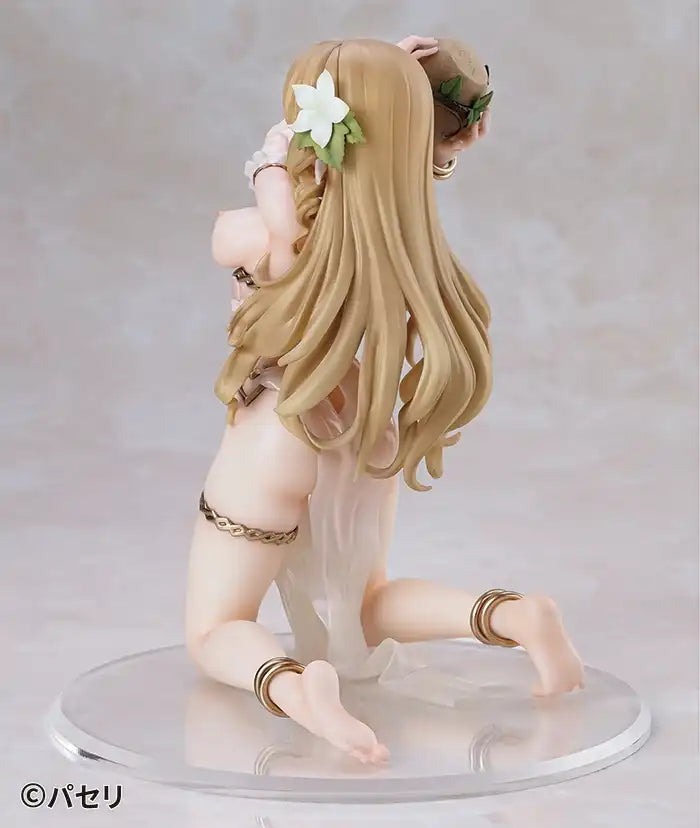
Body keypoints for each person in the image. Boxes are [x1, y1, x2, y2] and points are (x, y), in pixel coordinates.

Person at [186, 38, 583, 767]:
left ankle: (294, 690)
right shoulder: (398, 233)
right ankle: (515, 616)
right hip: (361, 423)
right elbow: (405, 159)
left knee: (216, 626)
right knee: (368, 605)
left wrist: (312, 120)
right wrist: (408, 103)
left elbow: (268, 184)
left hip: (279, 427)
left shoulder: (271, 234)